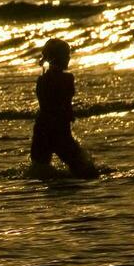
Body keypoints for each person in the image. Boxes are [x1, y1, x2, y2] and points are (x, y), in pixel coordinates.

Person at [31, 38, 97, 178]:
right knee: (87, 172)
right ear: (59, 57)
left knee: (39, 172)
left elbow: (45, 106)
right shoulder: (67, 78)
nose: (69, 57)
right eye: (67, 55)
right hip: (59, 131)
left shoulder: (42, 80)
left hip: (41, 129)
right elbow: (64, 104)